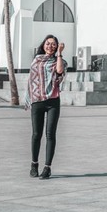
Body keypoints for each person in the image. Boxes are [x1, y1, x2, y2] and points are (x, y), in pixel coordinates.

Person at [26, 34, 66, 179]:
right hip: (37, 100)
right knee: (36, 134)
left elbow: (60, 71)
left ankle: (47, 167)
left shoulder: (58, 60)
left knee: (50, 135)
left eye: (53, 44)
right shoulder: (36, 60)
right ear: (43, 45)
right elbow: (32, 79)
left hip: (53, 101)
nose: (50, 46)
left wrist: (60, 54)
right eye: (48, 43)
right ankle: (34, 164)